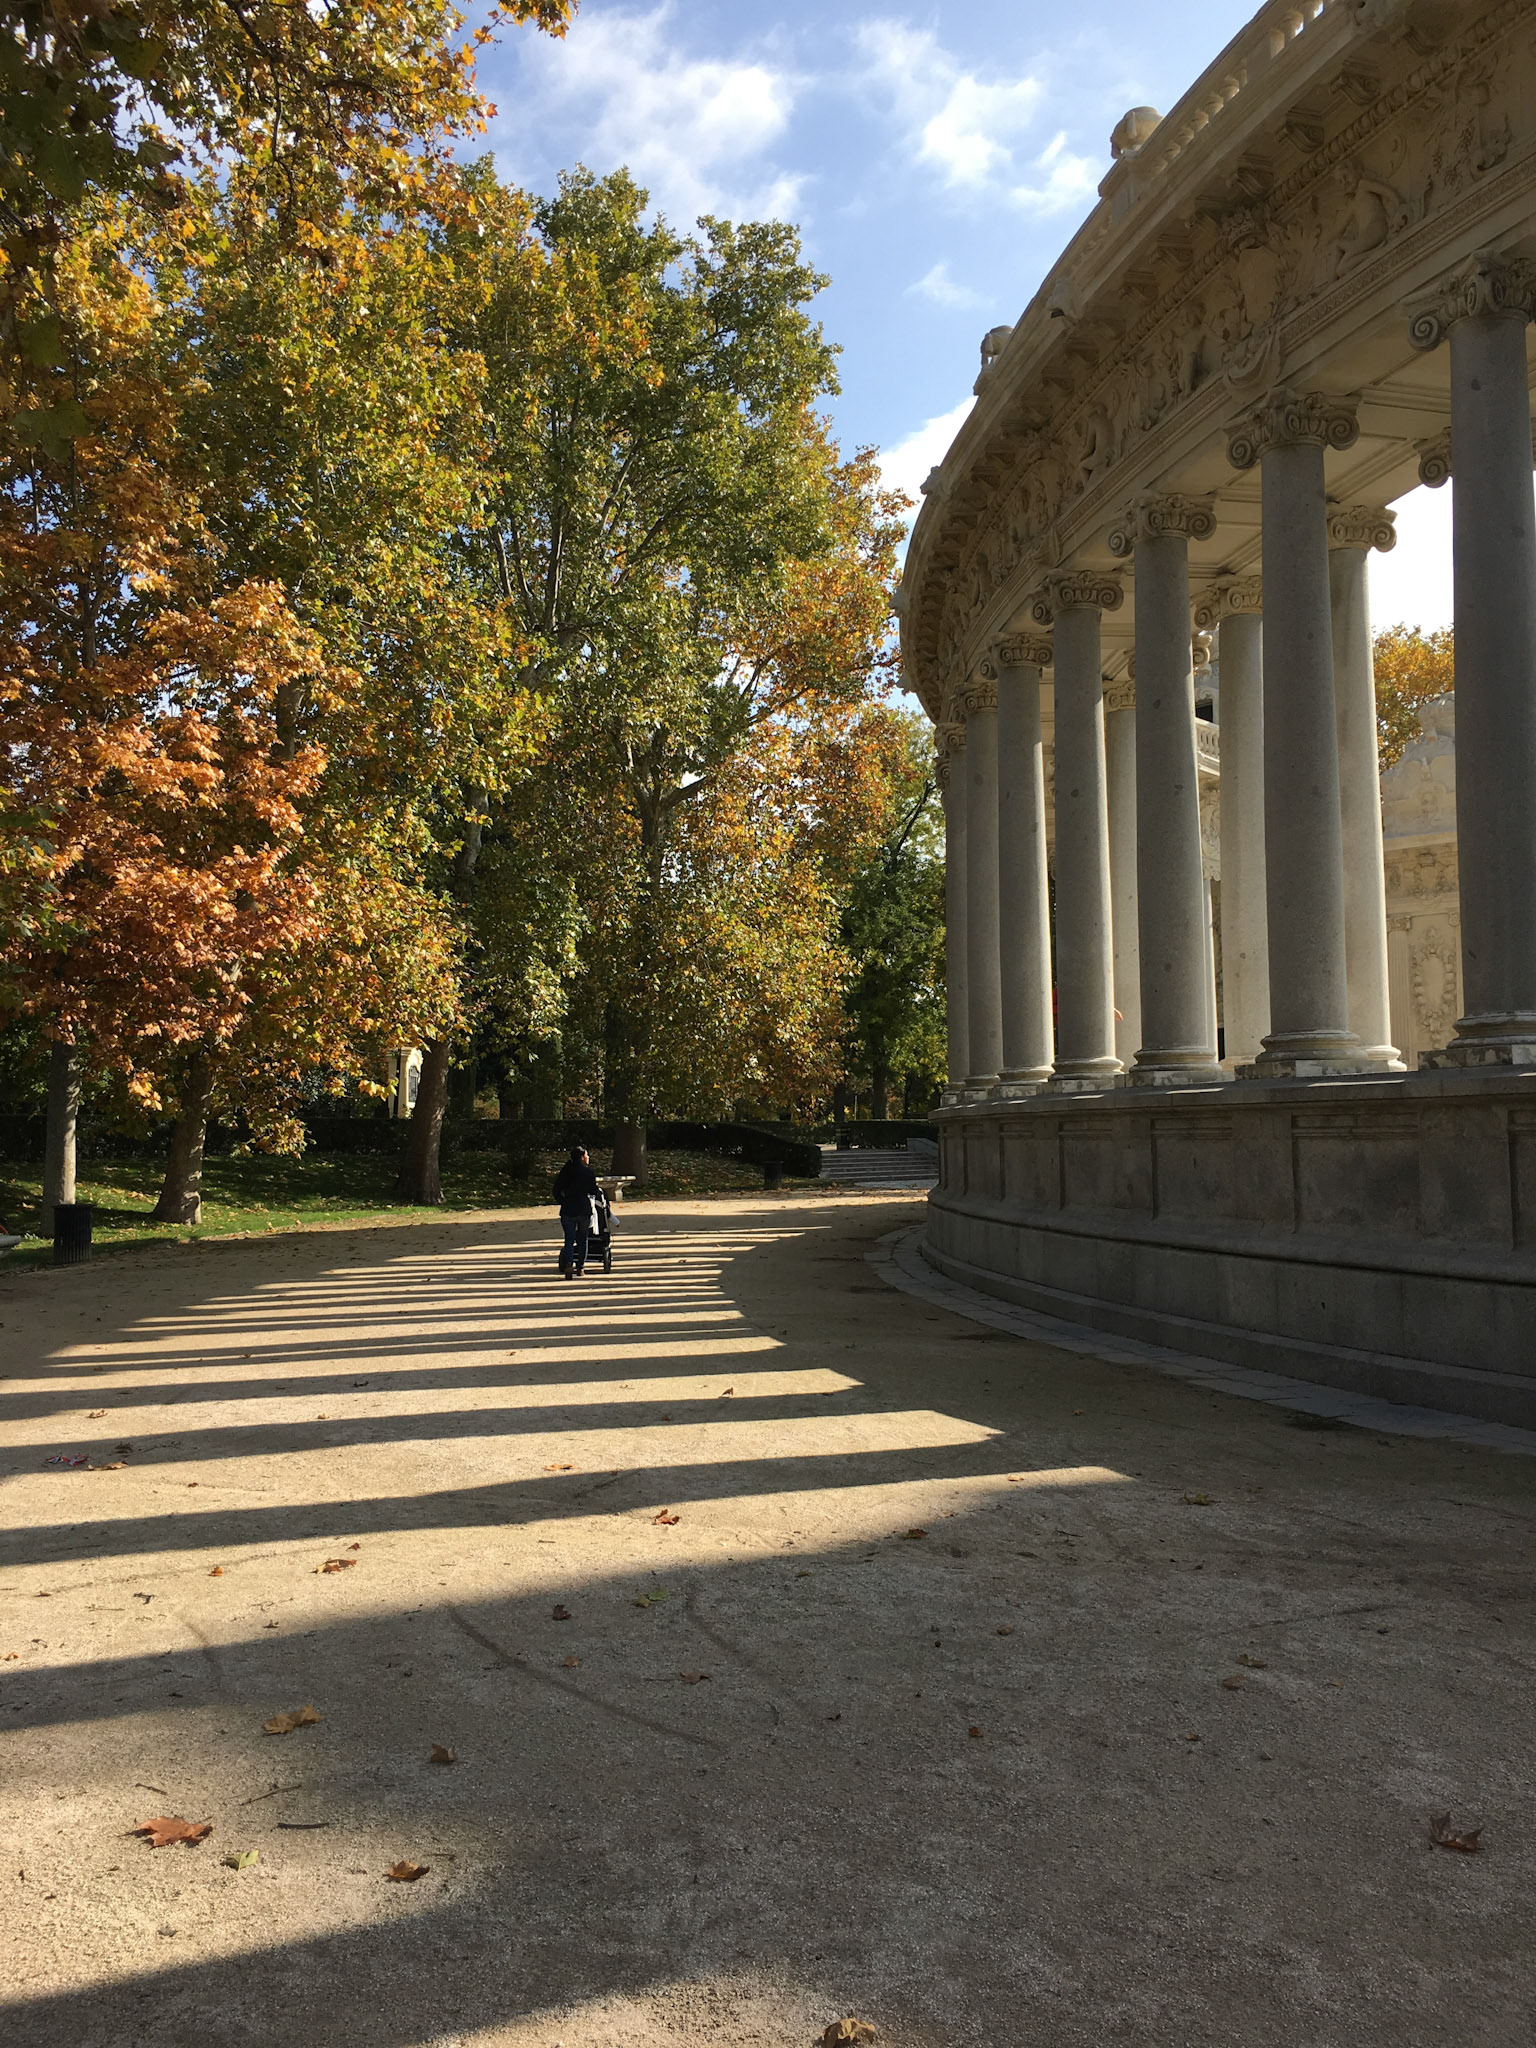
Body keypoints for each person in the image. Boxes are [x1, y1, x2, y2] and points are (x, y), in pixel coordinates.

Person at [552, 1144, 601, 1278]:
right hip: (583, 1209)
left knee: (569, 1239)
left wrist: (563, 1201)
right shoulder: (588, 1172)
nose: (588, 1157)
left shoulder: (566, 1171)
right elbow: (593, 1191)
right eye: (586, 1155)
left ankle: (569, 1263)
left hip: (568, 1208)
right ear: (581, 1157)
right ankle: (580, 1267)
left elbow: (556, 1190)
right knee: (582, 1239)